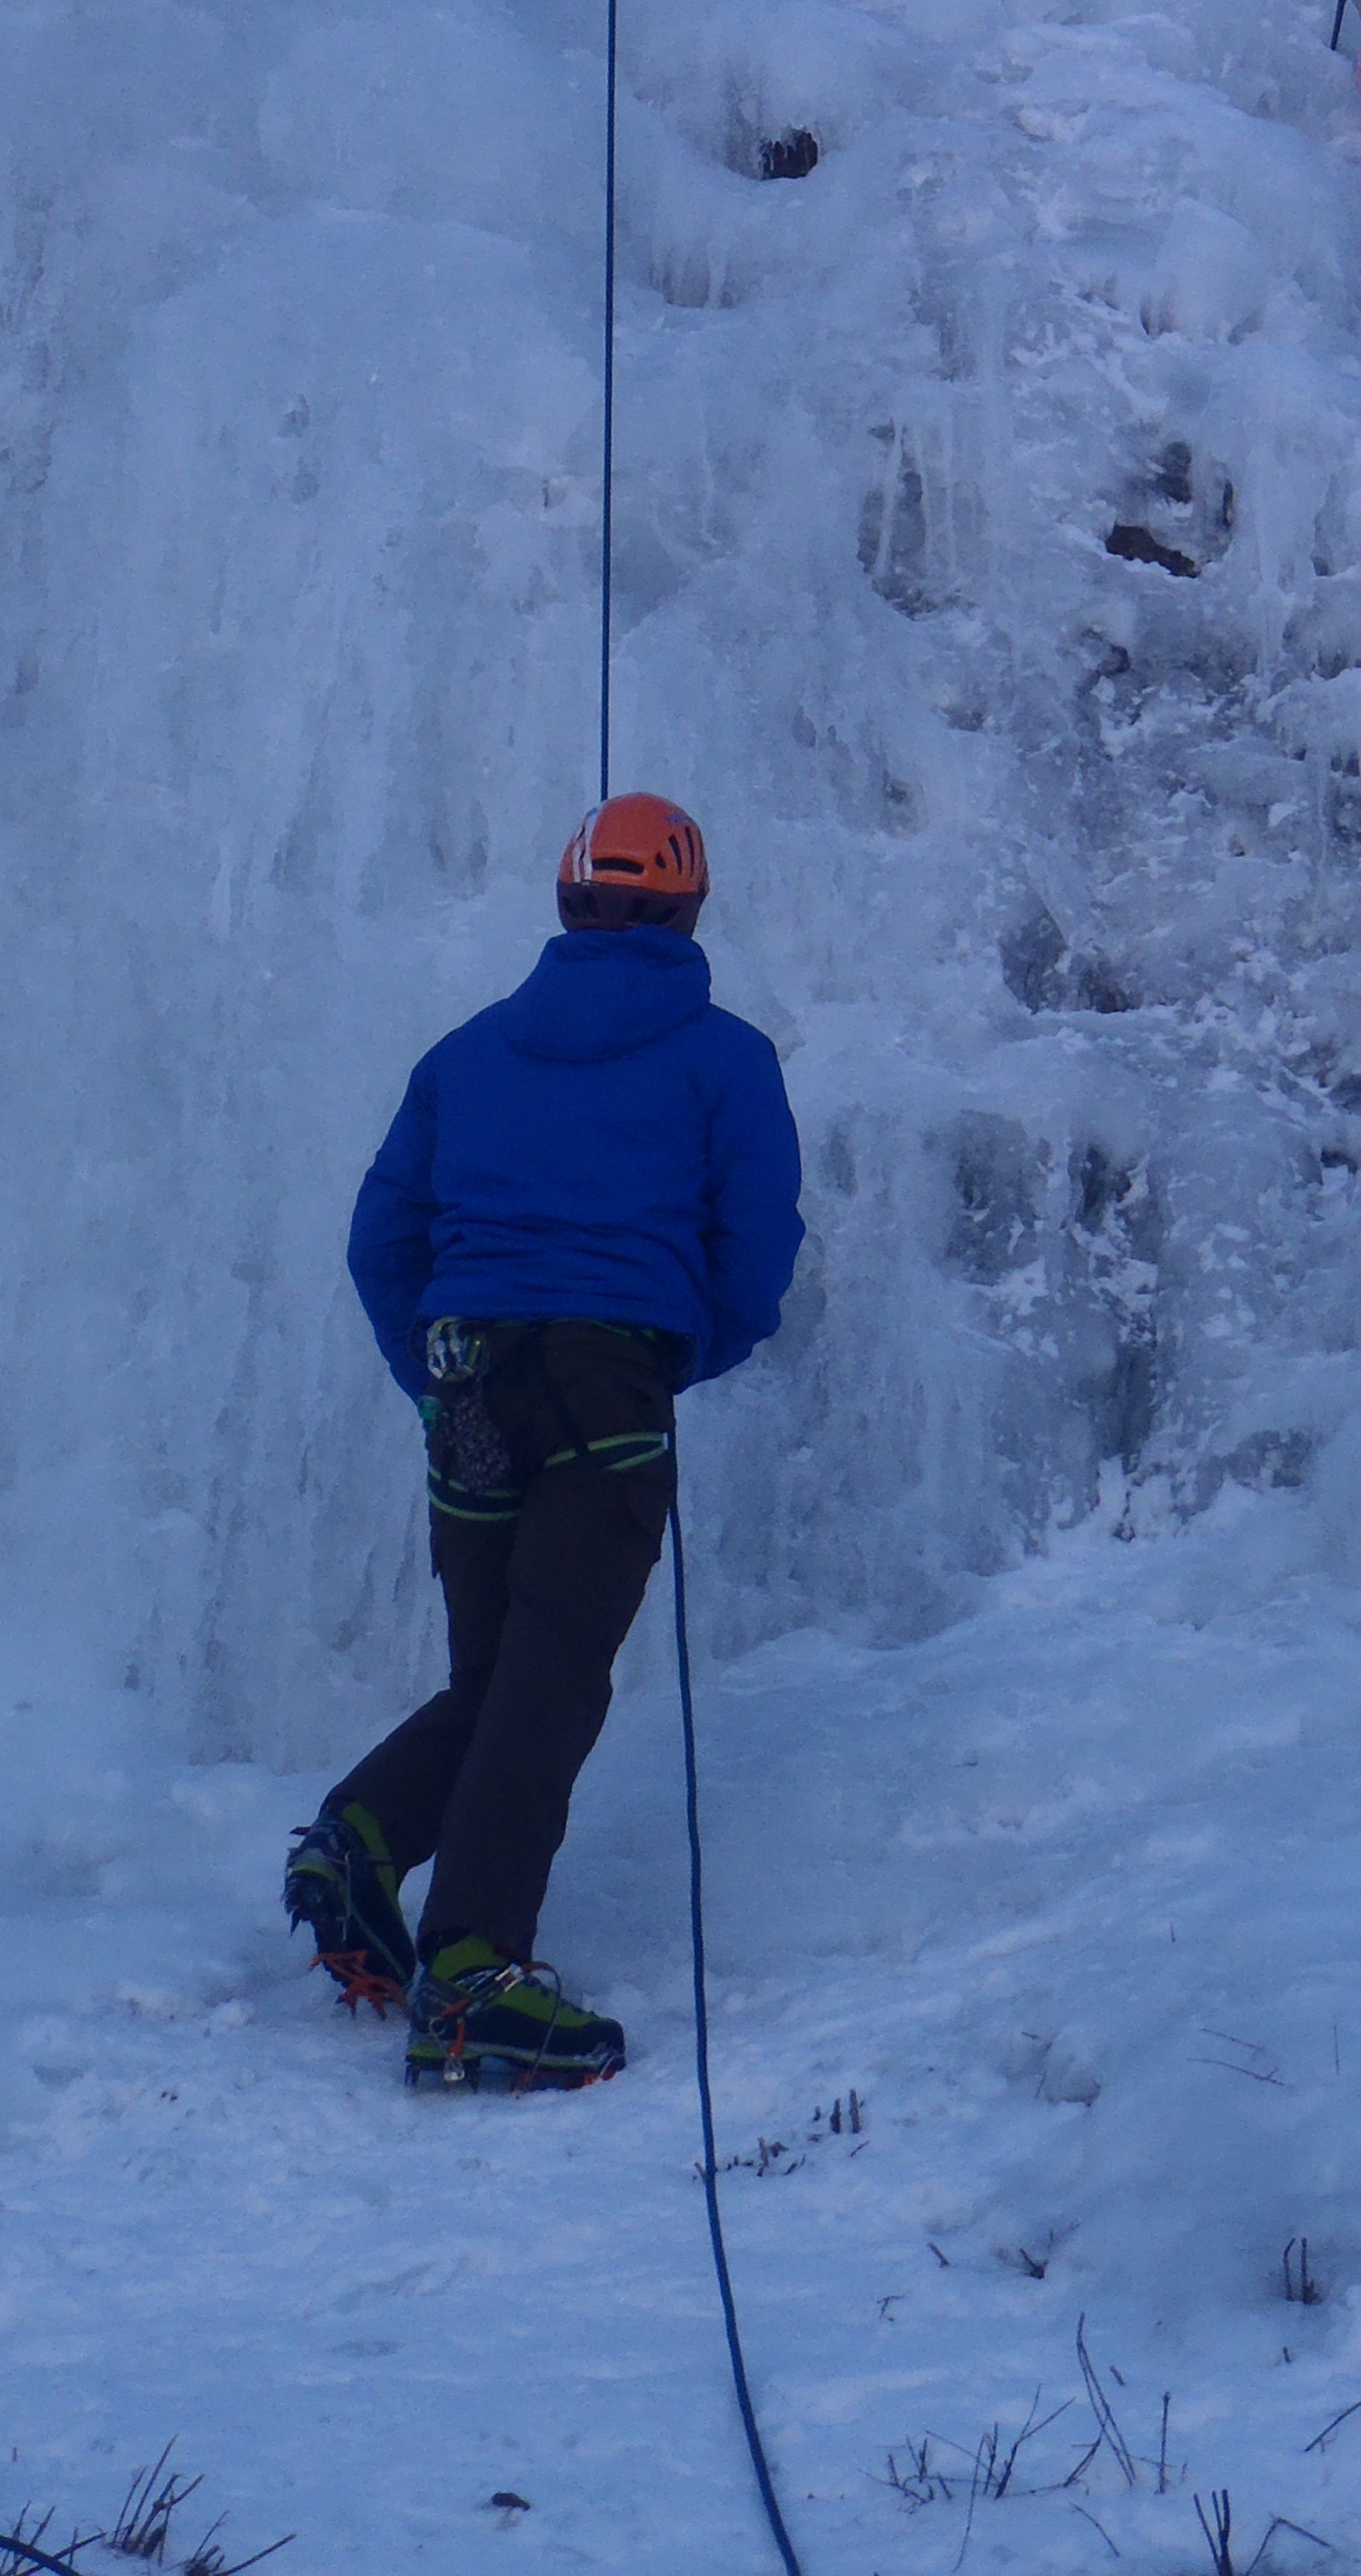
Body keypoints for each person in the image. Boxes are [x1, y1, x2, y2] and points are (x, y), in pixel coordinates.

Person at [283, 792, 803, 2093]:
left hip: (465, 1366)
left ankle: (362, 1836)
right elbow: (756, 1248)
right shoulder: (725, 1059)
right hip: (604, 1378)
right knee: (556, 1673)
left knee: (500, 1672)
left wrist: (430, 1377)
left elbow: (379, 1241)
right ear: (686, 910)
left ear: (567, 902)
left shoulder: (467, 1054)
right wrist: (680, 1354)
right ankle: (471, 1974)